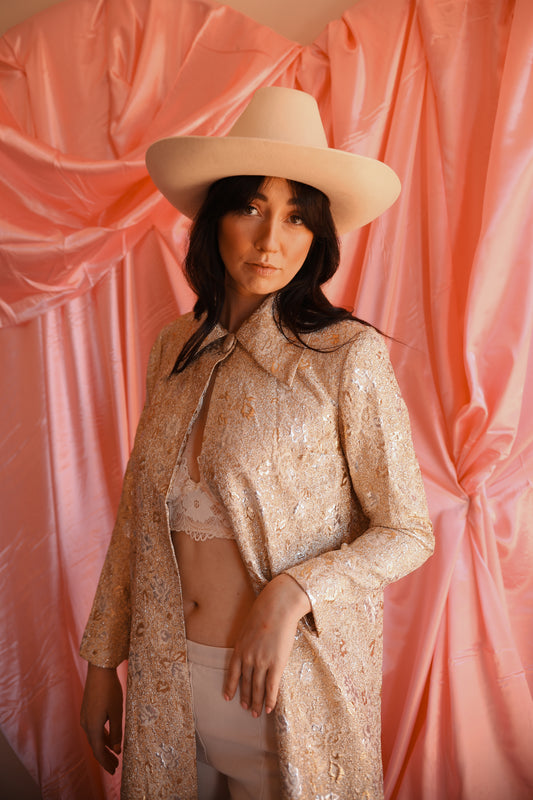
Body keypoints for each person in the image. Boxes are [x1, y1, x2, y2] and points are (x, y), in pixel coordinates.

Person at [80, 87, 434, 800]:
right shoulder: (174, 348)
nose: (271, 240)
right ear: (215, 220)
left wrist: (291, 594)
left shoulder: (343, 357)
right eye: (250, 208)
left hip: (287, 694)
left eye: (296, 218)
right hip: (166, 687)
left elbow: (406, 530)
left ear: (317, 237)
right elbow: (136, 523)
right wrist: (99, 667)